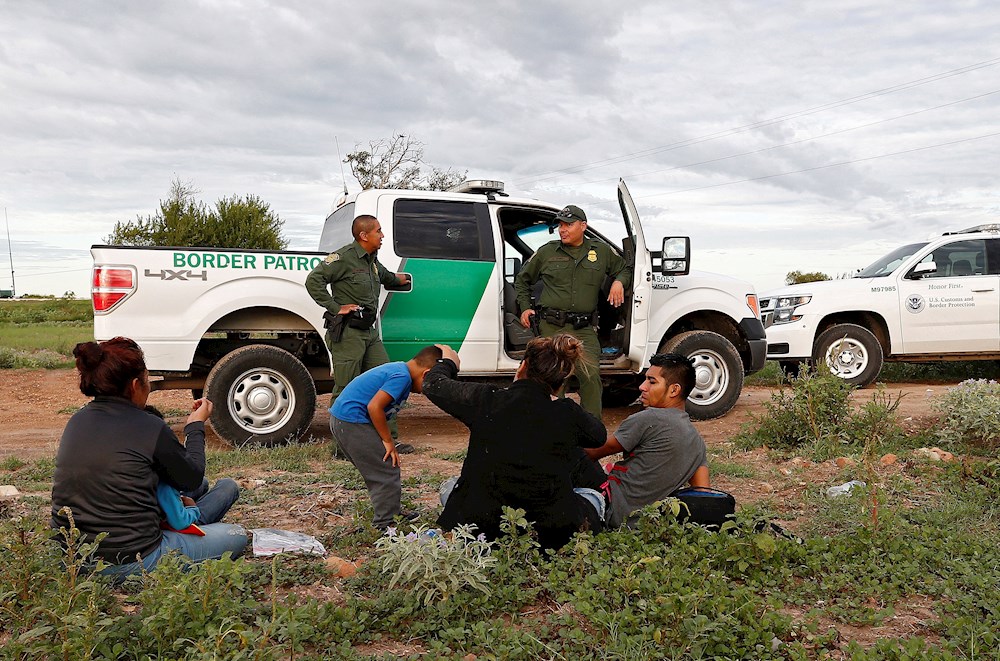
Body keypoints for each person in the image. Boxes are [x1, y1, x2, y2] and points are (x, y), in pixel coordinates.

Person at [50, 337, 247, 583]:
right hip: (133, 560)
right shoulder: (148, 426)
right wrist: (195, 425)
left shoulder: (77, 421)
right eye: (147, 381)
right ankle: (195, 528)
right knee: (235, 534)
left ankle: (191, 522)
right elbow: (191, 476)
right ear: (135, 385)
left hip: (72, 558)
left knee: (200, 487)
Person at [424, 335, 607, 551]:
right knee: (593, 497)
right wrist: (558, 402)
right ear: (561, 381)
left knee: (449, 487)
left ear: (523, 366)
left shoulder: (486, 399)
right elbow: (598, 435)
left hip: (482, 525)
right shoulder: (567, 412)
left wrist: (448, 362)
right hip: (551, 531)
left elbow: (433, 384)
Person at [305, 214, 414, 453]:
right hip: (348, 334)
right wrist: (336, 307)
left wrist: (407, 278)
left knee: (388, 382)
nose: (382, 235)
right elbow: (314, 281)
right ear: (364, 235)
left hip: (369, 333)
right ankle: (342, 447)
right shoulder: (343, 258)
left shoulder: (372, 260)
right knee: (345, 388)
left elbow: (386, 278)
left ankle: (388, 440)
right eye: (378, 231)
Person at [514, 204, 631, 418]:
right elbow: (522, 280)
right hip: (552, 326)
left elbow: (624, 268)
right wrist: (525, 308)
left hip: (584, 328)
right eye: (560, 225)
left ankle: (591, 429)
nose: (562, 229)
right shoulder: (547, 252)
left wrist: (619, 283)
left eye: (568, 224)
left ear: (583, 226)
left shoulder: (601, 251)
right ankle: (554, 428)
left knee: (591, 377)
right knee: (553, 379)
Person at [572, 353, 710, 529]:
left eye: (652, 382)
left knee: (568, 449)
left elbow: (591, 452)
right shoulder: (697, 443)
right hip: (646, 524)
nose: (642, 387)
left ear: (674, 390)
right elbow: (704, 495)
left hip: (610, 509)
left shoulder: (649, 418)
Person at [329, 345, 442, 530]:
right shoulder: (402, 376)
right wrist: (388, 441)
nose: (426, 391)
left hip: (344, 420)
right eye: (431, 384)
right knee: (386, 470)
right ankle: (385, 525)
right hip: (351, 422)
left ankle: (391, 512)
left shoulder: (399, 370)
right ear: (426, 374)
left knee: (381, 468)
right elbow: (374, 407)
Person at [145, 405, 240, 534]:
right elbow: (180, 522)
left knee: (202, 483)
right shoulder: (162, 479)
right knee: (228, 486)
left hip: (158, 514)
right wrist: (192, 508)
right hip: (176, 526)